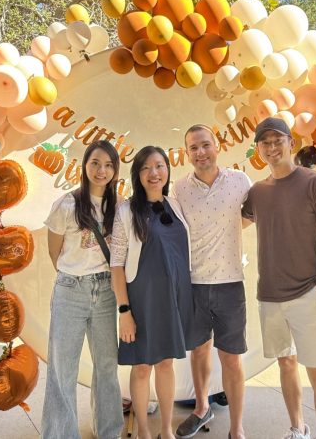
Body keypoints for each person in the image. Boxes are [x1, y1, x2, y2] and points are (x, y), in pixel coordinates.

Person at [242, 117, 316, 439]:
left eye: (278, 140)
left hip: (308, 293)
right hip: (270, 296)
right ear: (258, 150)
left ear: (291, 143)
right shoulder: (257, 192)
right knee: (286, 364)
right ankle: (298, 428)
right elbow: (230, 223)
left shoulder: (315, 183)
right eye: (265, 142)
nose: (272, 147)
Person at [172, 125, 251, 439]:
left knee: (231, 358)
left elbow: (254, 214)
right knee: (199, 352)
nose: (200, 152)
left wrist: (230, 230)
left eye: (205, 145)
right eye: (193, 148)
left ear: (217, 146)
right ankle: (201, 408)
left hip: (230, 284)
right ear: (187, 153)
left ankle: (237, 429)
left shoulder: (240, 181)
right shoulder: (179, 188)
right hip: (193, 284)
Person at [110, 145, 194, 439]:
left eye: (159, 166)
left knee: (166, 363)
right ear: (137, 174)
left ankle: (167, 430)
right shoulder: (126, 211)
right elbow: (117, 264)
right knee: (143, 366)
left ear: (167, 170)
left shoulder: (176, 205)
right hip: (141, 299)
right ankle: (144, 431)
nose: (153, 173)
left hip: (173, 299)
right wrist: (124, 311)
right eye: (146, 167)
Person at [42, 140, 124, 439]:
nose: (102, 171)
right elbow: (54, 253)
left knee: (107, 366)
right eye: (95, 163)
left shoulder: (120, 206)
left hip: (105, 291)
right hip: (71, 290)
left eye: (108, 165)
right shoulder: (66, 204)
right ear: (85, 165)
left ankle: (109, 431)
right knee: (62, 369)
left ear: (115, 170)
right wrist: (75, 276)